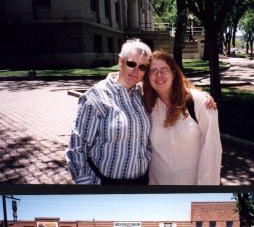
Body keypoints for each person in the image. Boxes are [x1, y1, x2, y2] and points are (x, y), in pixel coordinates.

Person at [66, 39, 152, 185]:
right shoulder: (95, 97)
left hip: (142, 182)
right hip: (107, 183)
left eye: (143, 67)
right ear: (120, 62)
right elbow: (76, 148)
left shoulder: (141, 95)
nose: (136, 71)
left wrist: (200, 99)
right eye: (131, 64)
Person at [143, 51, 223, 185]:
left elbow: (212, 150)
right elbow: (126, 80)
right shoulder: (146, 104)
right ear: (148, 77)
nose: (159, 75)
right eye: (153, 71)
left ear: (174, 73)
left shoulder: (200, 102)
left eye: (164, 69)